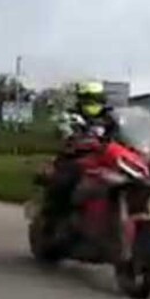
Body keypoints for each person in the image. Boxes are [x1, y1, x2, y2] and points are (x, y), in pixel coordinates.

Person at [39, 81, 118, 234]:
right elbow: (64, 134)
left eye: (96, 98)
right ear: (81, 99)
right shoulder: (71, 116)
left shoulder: (111, 118)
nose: (93, 102)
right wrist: (73, 138)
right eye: (89, 98)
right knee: (64, 182)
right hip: (75, 157)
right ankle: (53, 222)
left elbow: (124, 135)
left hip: (104, 158)